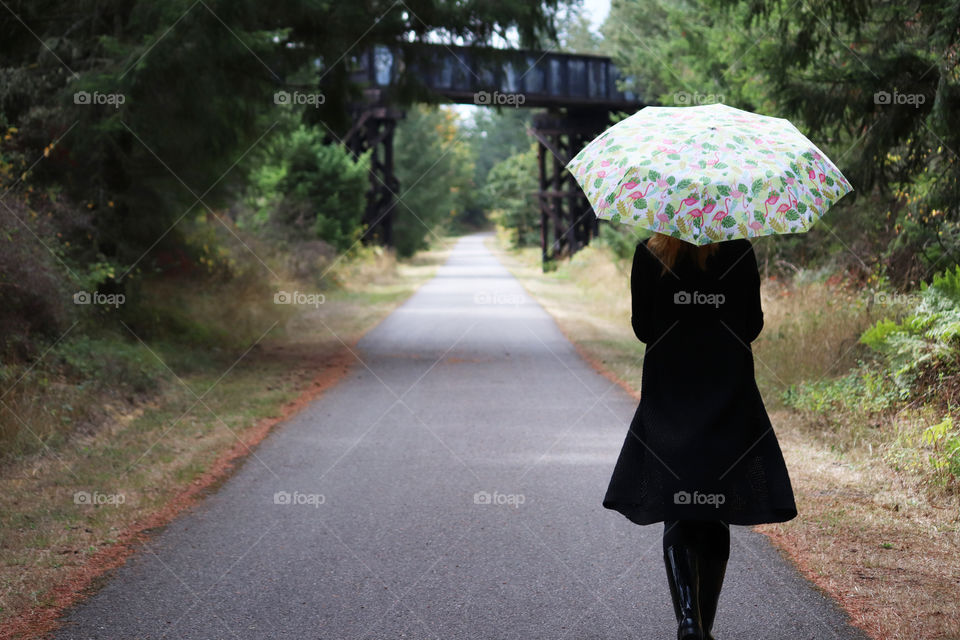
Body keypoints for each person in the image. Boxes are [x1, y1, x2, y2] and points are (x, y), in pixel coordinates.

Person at [602, 233, 798, 640]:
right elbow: (752, 325)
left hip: (669, 393)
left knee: (677, 502)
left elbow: (643, 328)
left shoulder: (648, 253)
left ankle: (688, 619)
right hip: (727, 391)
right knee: (715, 504)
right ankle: (703, 628)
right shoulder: (739, 251)